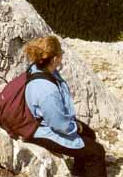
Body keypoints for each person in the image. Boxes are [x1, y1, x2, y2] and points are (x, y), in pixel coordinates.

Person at [24, 36, 106, 177]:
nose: (62, 57)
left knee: (89, 134)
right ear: (55, 59)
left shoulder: (37, 68)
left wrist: (78, 127)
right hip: (41, 131)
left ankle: (79, 172)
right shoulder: (47, 90)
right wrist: (76, 127)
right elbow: (59, 124)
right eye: (61, 54)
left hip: (43, 121)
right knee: (96, 152)